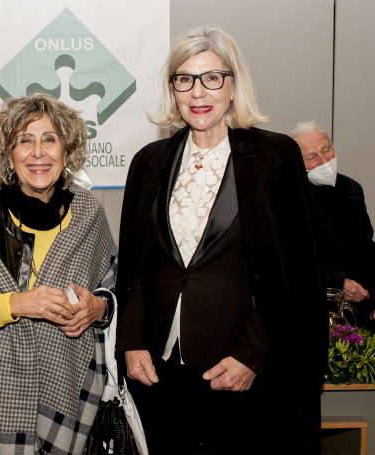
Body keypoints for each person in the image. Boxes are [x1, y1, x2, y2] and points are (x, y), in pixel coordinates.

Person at [116, 26, 327, 454]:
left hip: (243, 370)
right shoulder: (149, 162)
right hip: (161, 372)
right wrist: (132, 342)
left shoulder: (274, 158)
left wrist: (253, 355)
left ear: (233, 86)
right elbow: (136, 266)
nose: (198, 92)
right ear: (172, 89)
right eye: (185, 79)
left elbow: (297, 271)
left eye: (212, 77)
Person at [0, 94, 117, 454]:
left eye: (49, 139)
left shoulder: (89, 214)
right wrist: (15, 304)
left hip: (73, 392)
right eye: (25, 140)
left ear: (66, 151)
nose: (38, 153)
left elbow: (116, 291)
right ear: (9, 154)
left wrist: (99, 308)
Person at [291, 121, 375, 329]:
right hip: (312, 302)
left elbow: (365, 246)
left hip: (359, 302)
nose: (324, 161)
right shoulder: (288, 198)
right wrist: (338, 282)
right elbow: (292, 257)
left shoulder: (352, 188)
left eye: (326, 149)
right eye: (312, 157)